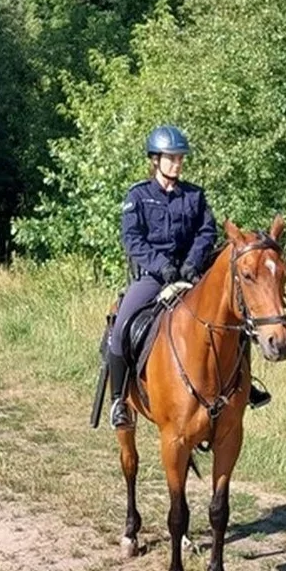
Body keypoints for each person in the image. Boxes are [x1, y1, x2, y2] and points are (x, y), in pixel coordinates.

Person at [107, 125, 270, 428]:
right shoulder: (139, 196)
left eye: (180, 158)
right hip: (153, 277)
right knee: (122, 327)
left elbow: (206, 231)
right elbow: (132, 239)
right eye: (171, 158)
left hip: (193, 272)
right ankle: (119, 400)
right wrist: (162, 266)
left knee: (238, 321)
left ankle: (246, 387)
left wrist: (192, 264)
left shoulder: (194, 196)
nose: (177, 163)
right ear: (155, 159)